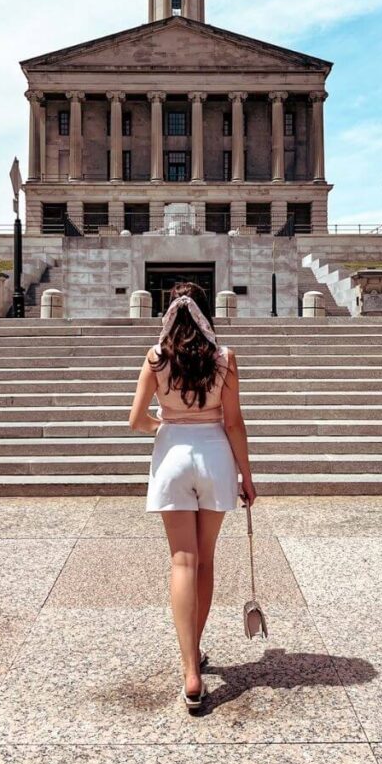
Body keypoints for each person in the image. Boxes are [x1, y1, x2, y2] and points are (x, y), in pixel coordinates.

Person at [129, 281, 257, 711]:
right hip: (215, 456)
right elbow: (234, 423)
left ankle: (190, 670)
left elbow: (135, 419)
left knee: (180, 561)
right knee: (204, 560)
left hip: (172, 458)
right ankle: (195, 651)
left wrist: (164, 427)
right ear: (206, 313)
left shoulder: (156, 357)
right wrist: (247, 476)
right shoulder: (224, 358)